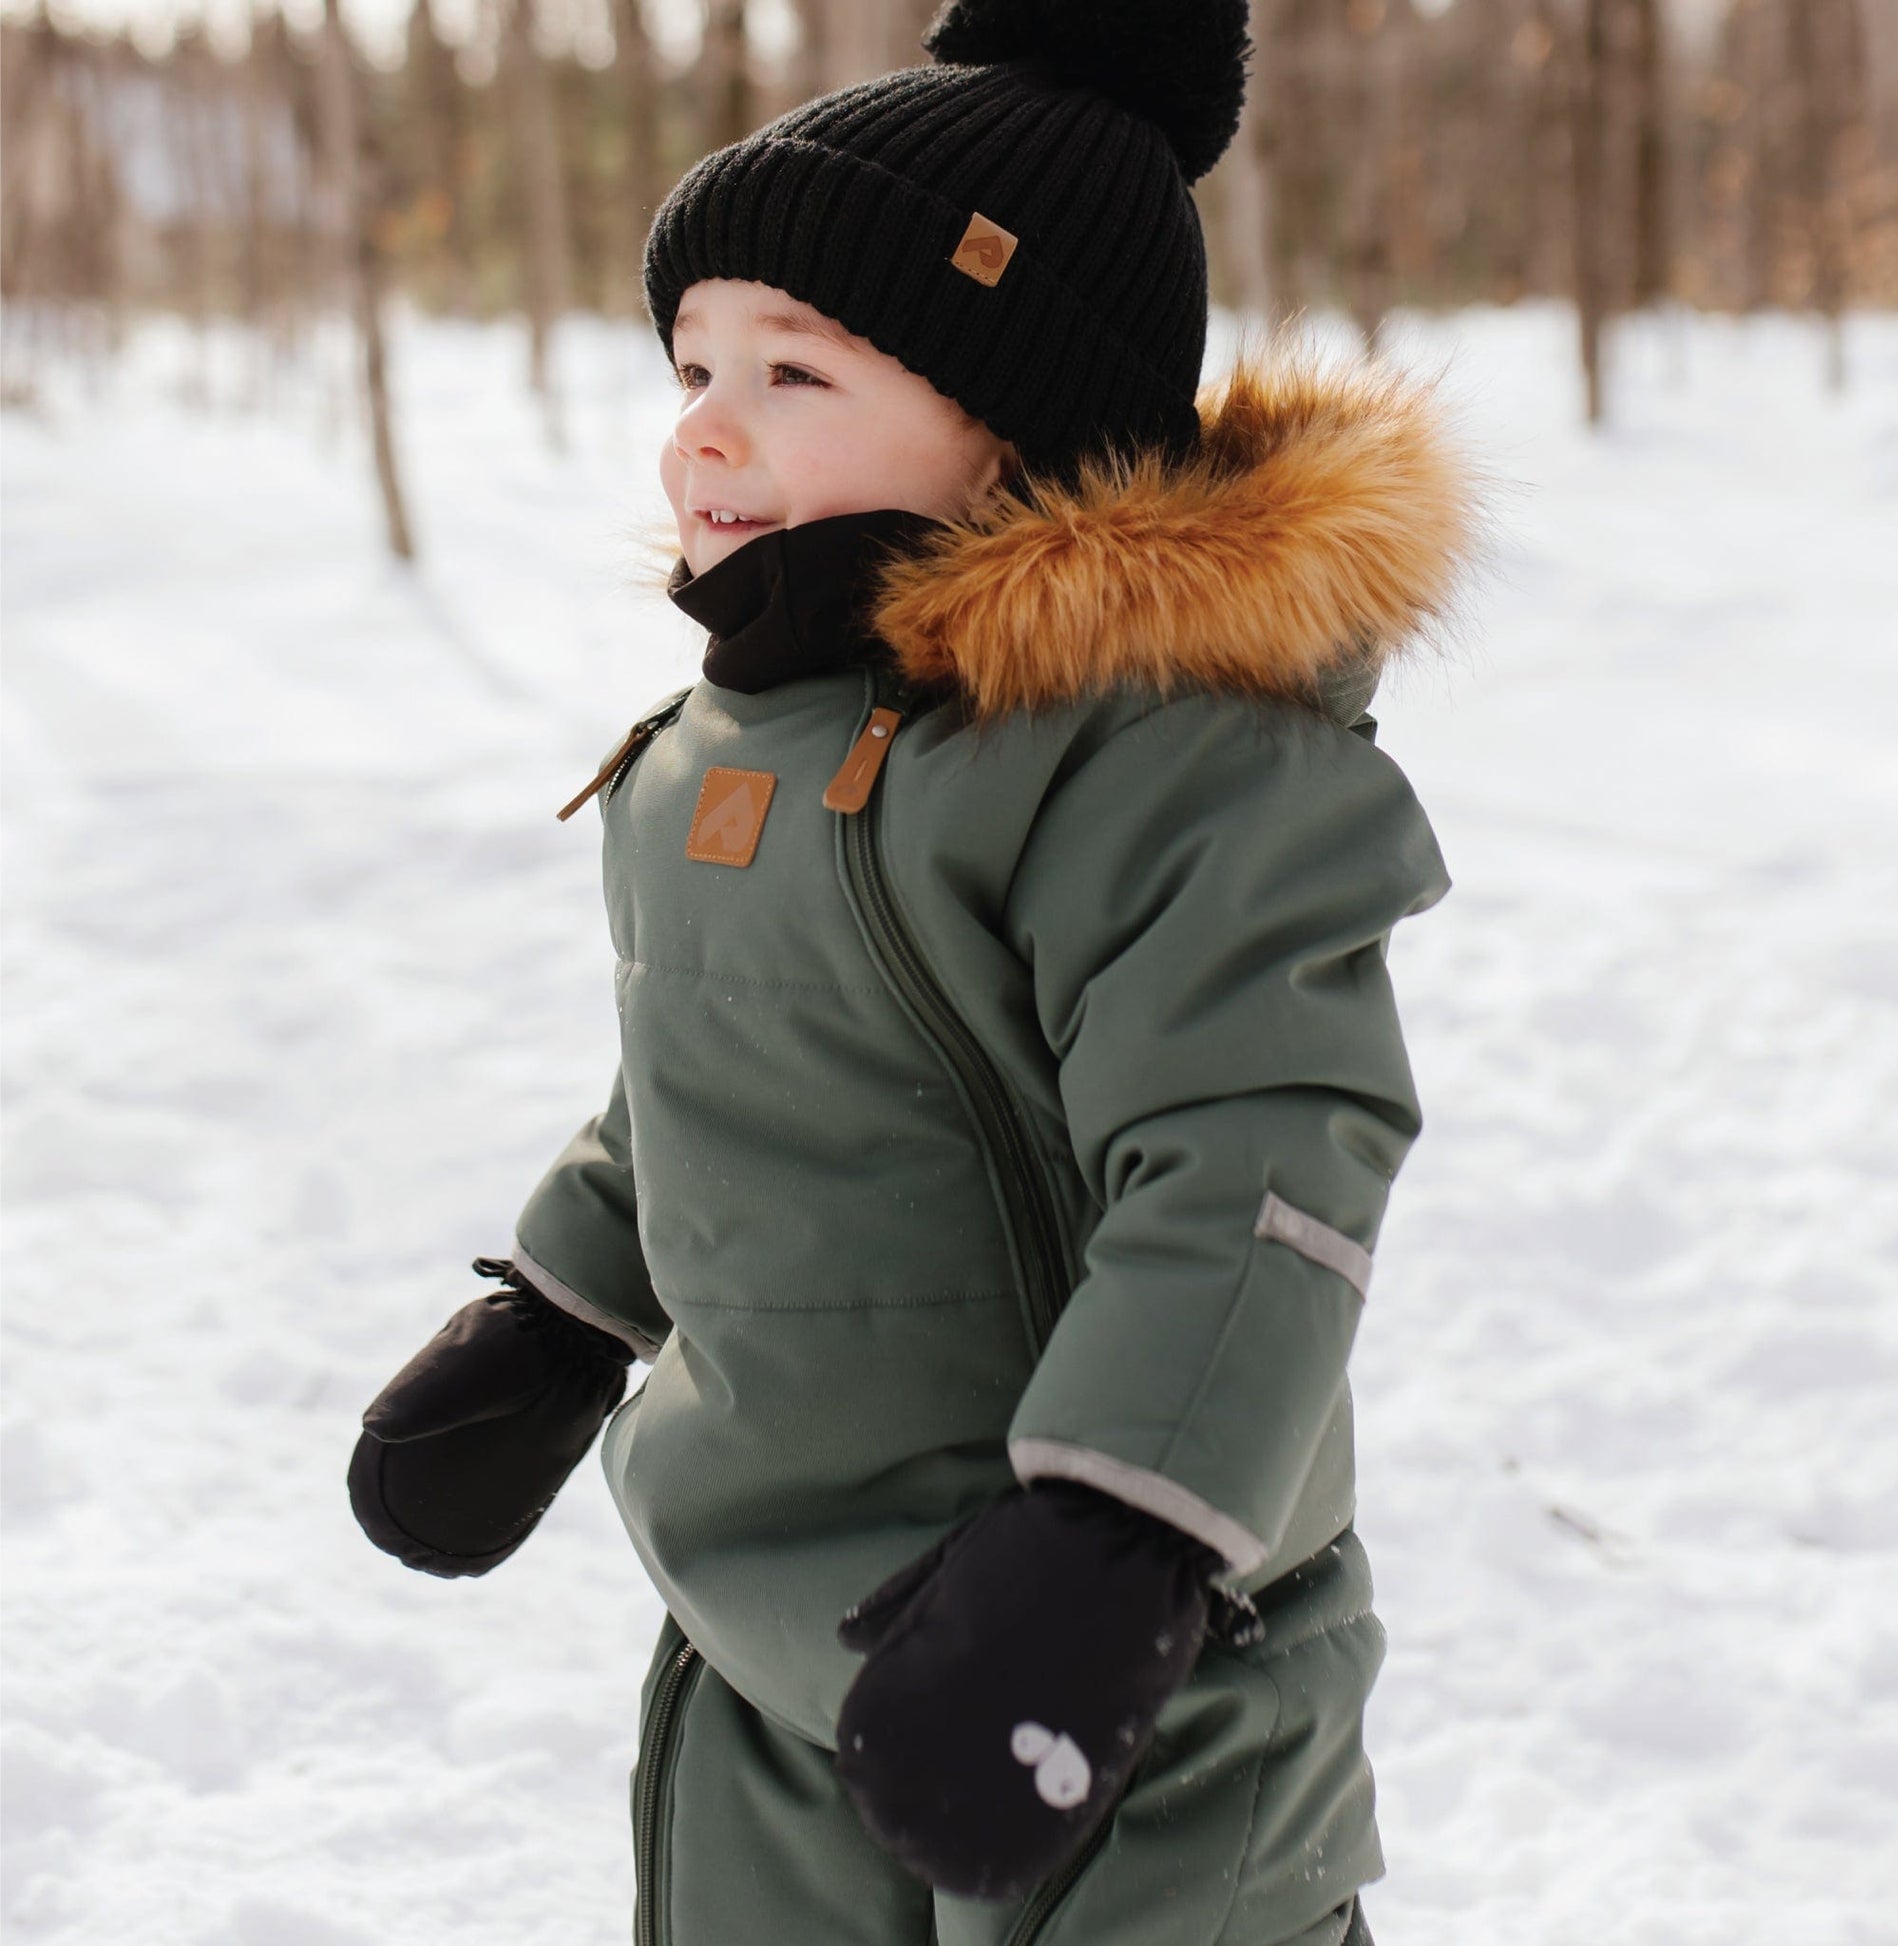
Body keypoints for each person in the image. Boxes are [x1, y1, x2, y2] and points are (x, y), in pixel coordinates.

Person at [348, 2, 1482, 1941]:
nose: (703, 421)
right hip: (771, 1644)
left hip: (1118, 1674)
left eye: (795, 369)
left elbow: (1259, 1159)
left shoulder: (1173, 761)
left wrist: (1117, 1535)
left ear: (1017, 430)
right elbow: (729, 1064)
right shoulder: (739, 737)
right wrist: (560, 1307)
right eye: (695, 356)